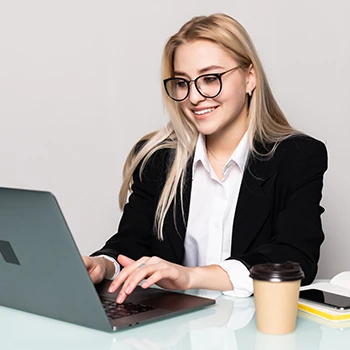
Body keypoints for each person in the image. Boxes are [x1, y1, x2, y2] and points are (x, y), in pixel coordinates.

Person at [83, 13, 327, 304]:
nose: (195, 97)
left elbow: (295, 257)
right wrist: (103, 264)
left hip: (255, 332)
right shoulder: (158, 158)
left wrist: (192, 276)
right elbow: (131, 244)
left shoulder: (297, 157)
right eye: (183, 83)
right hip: (174, 332)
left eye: (210, 78)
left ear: (250, 77)